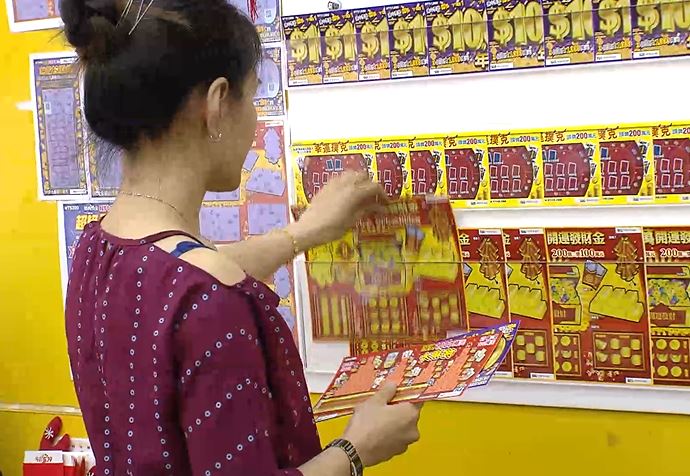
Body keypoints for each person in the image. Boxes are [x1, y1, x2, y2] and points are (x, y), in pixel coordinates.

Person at [60, 1, 422, 475]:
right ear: (215, 105)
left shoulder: (97, 249)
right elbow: (199, 292)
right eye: (251, 98)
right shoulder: (211, 302)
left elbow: (182, 277)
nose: (253, 121)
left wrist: (303, 233)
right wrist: (357, 449)